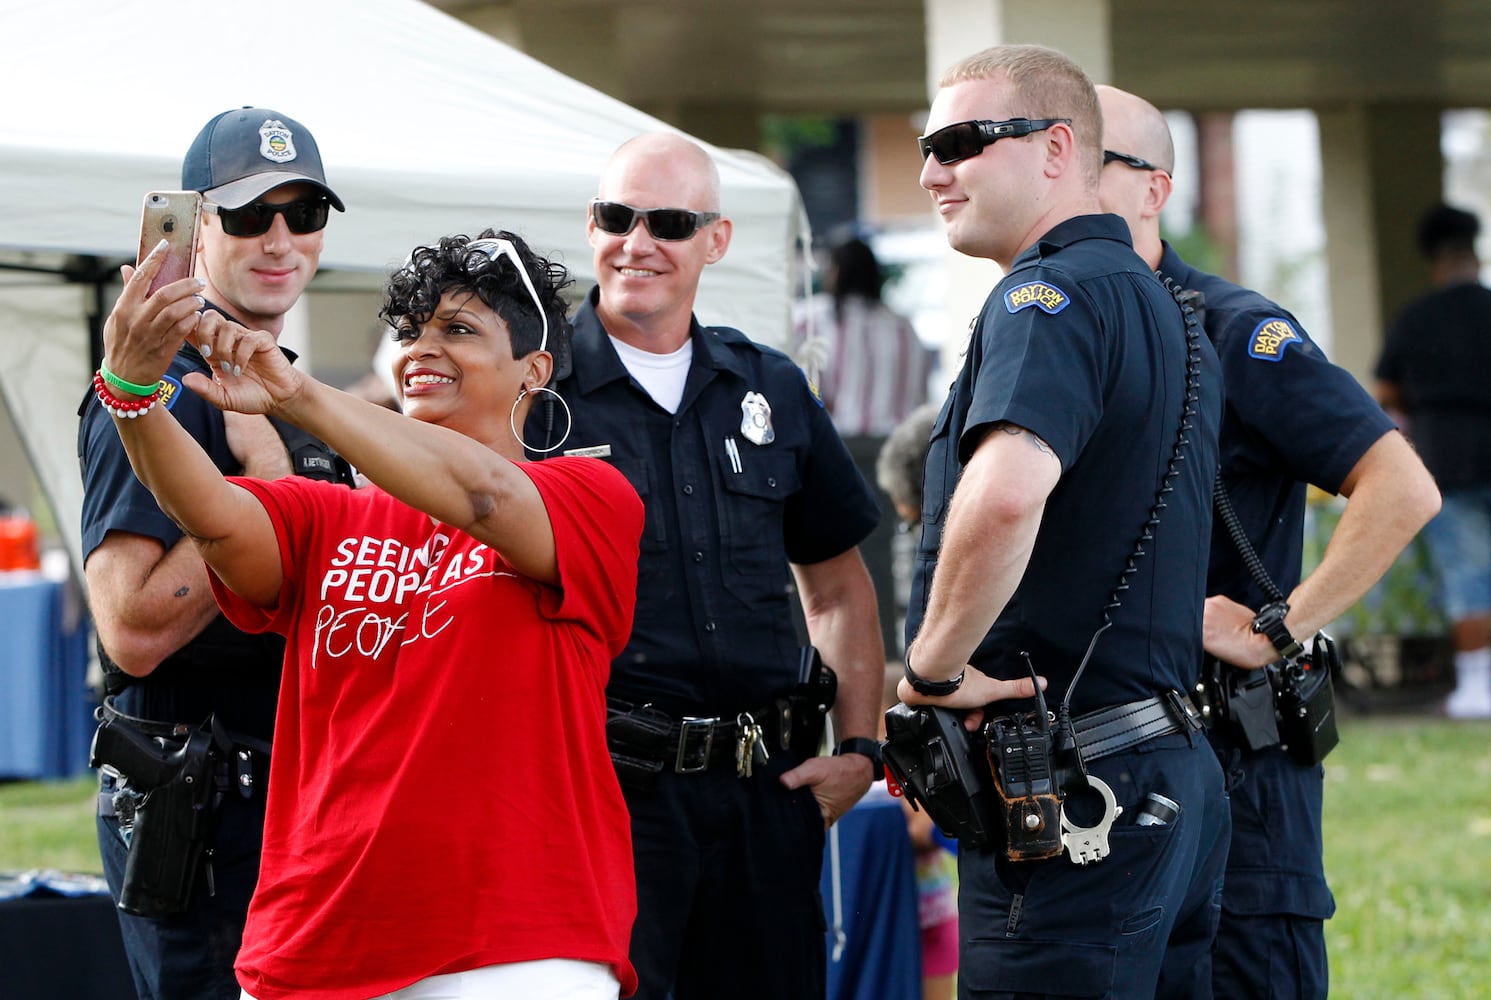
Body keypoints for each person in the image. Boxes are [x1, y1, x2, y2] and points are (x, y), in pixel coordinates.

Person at [94, 228, 643, 1000]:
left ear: (535, 369)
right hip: (311, 945)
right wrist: (133, 391)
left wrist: (295, 395)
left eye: (457, 329)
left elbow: (483, 496)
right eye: (412, 332)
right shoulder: (332, 515)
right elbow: (213, 519)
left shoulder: (590, 500)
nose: (421, 348)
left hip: (514, 944)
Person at [897, 45, 1228, 999]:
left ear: (1053, 148)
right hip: (1165, 771)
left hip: (1078, 790)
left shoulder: (1047, 296)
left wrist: (932, 671)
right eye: (927, 146)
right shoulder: (1161, 302)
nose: (932, 171)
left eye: (961, 141)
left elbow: (1006, 492)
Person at [1097, 84, 1441, 1000]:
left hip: (1236, 774)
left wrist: (1278, 628)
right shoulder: (1050, 333)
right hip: (1104, 784)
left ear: (1152, 188)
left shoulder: (1233, 330)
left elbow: (1400, 486)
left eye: (1088, 159)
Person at [528, 131, 886, 1000]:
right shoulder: (531, 395)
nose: (638, 242)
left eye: (671, 223)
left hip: (767, 790)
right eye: (618, 217)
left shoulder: (770, 387)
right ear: (590, 227)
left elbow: (837, 586)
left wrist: (863, 751)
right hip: (609, 794)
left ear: (715, 241)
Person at [77, 106, 356, 1000]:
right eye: (248, 214)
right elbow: (131, 630)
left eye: (303, 213)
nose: (280, 239)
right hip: (203, 815)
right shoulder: (159, 384)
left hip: (300, 803)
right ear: (198, 229)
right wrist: (264, 498)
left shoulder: (293, 388)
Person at [795, 236, 938, 657]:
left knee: (823, 558)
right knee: (881, 557)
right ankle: (888, 652)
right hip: (890, 451)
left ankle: (821, 651)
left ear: (835, 271)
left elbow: (810, 393)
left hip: (834, 448)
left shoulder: (811, 318)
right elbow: (915, 399)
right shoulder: (901, 325)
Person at [1376, 203, 1491, 719]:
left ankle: (1475, 687)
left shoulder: (1417, 318)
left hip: (1449, 455)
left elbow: (1384, 392)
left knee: (1468, 574)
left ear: (1435, 262)